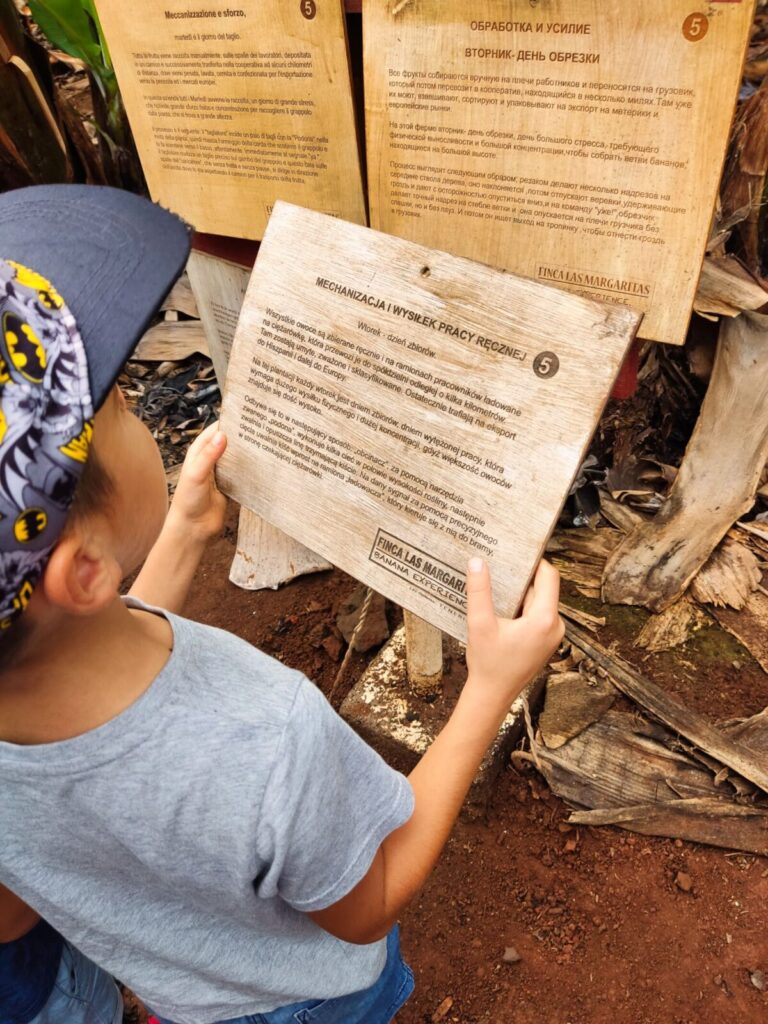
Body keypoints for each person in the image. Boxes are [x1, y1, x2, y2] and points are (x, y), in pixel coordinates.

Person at [0, 185, 564, 1024]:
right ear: (82, 575)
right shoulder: (269, 735)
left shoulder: (40, 672)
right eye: (121, 406)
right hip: (304, 1000)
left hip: (184, 996)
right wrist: (488, 690)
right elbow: (370, 897)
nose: (138, 414)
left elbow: (101, 679)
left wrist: (183, 534)